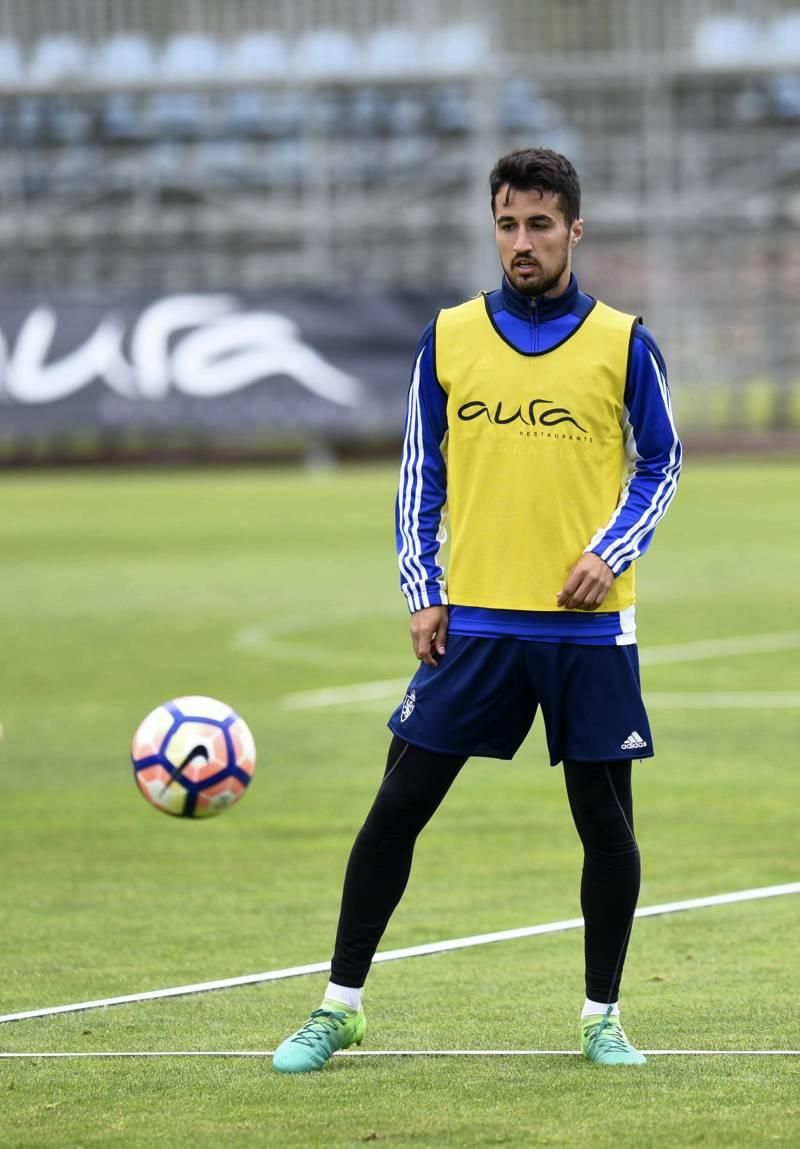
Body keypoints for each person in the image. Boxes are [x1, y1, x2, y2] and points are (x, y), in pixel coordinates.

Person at [273, 147, 681, 1072]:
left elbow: (663, 464)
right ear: (493, 226)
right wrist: (423, 594)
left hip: (587, 629)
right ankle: (339, 1006)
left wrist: (607, 552)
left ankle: (602, 1015)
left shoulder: (624, 342)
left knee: (606, 828)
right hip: (476, 625)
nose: (522, 242)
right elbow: (421, 475)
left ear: (575, 228)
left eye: (540, 224)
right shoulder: (449, 336)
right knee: (396, 808)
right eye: (508, 223)